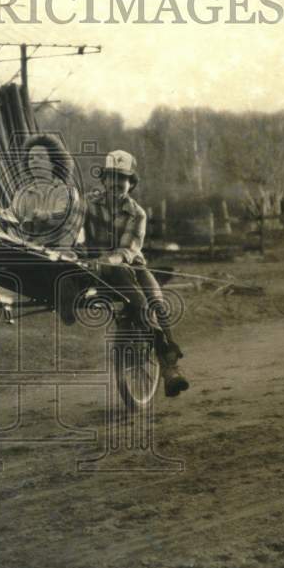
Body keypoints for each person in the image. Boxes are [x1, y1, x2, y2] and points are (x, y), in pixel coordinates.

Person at [80, 150, 190, 397]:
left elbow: (129, 250)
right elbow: (73, 228)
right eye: (112, 177)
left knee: (156, 300)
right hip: (91, 268)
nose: (117, 183)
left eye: (123, 178)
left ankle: (170, 367)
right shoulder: (87, 204)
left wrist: (106, 260)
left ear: (131, 183)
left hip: (128, 265)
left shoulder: (137, 213)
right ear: (104, 180)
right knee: (136, 293)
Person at [6, 133, 84, 250]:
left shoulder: (66, 192)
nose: (34, 161)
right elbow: (12, 216)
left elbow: (63, 217)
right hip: (28, 249)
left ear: (54, 163)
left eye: (41, 157)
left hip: (58, 252)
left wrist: (46, 216)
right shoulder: (23, 193)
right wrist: (2, 215)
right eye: (31, 158)